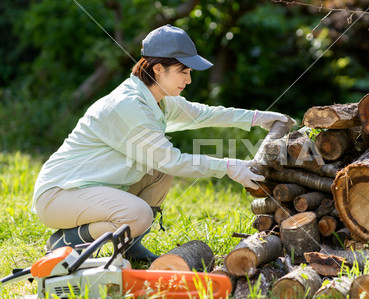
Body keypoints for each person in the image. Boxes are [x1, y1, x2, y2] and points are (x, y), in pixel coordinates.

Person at [32, 25, 294, 262]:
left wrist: (259, 118)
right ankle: (67, 240)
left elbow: (205, 114)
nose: (189, 79)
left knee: (159, 174)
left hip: (91, 188)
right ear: (158, 68)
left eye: (189, 71)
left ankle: (129, 244)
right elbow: (171, 159)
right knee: (139, 214)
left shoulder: (159, 98)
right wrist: (228, 166)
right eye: (183, 71)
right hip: (60, 195)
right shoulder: (129, 105)